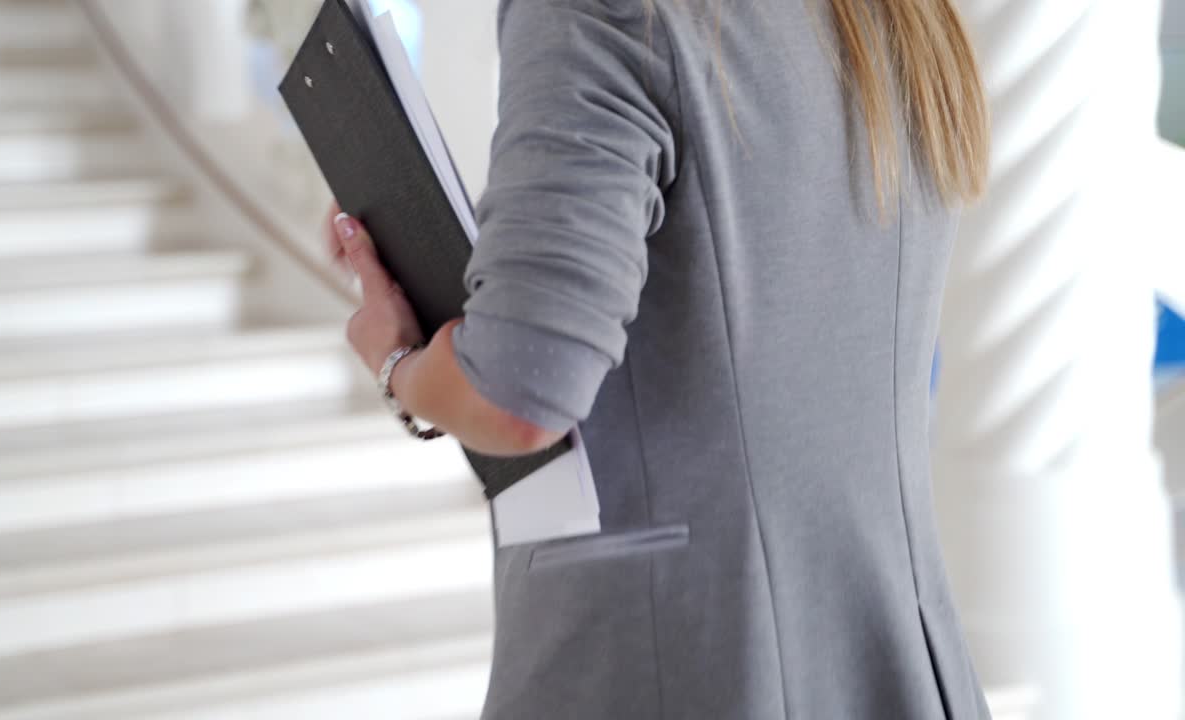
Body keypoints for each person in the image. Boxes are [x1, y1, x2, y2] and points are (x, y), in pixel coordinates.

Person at [327, 0, 992, 717]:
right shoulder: (900, 15)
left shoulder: (601, 12)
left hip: (687, 656)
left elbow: (518, 394)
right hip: (890, 659)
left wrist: (396, 360)